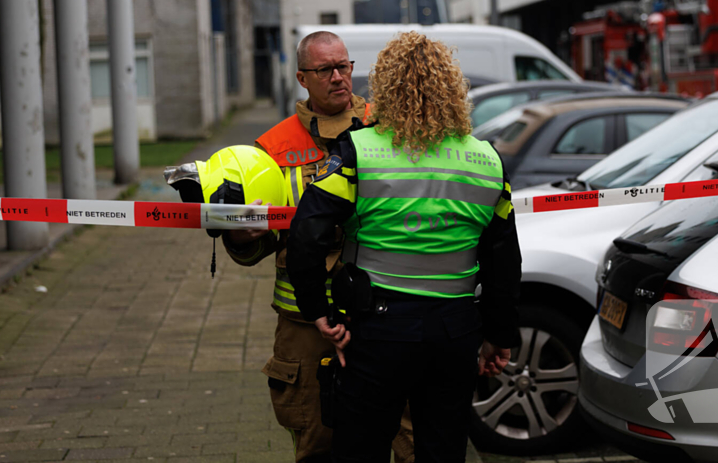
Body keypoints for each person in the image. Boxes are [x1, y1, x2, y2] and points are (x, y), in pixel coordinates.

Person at [285, 31, 522, 463]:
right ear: (452, 86)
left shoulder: (360, 151)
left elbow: (305, 235)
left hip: (378, 331)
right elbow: (504, 262)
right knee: (443, 449)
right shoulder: (489, 160)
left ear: (386, 87)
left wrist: (319, 312)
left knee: (360, 449)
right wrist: (499, 337)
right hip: (455, 332)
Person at [222, 31, 413, 463]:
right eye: (325, 70)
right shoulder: (272, 150)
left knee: (409, 441)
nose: (338, 77)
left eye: (343, 66)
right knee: (317, 445)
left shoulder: (387, 127)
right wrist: (240, 236)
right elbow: (256, 248)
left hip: (385, 314)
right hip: (307, 326)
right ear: (302, 78)